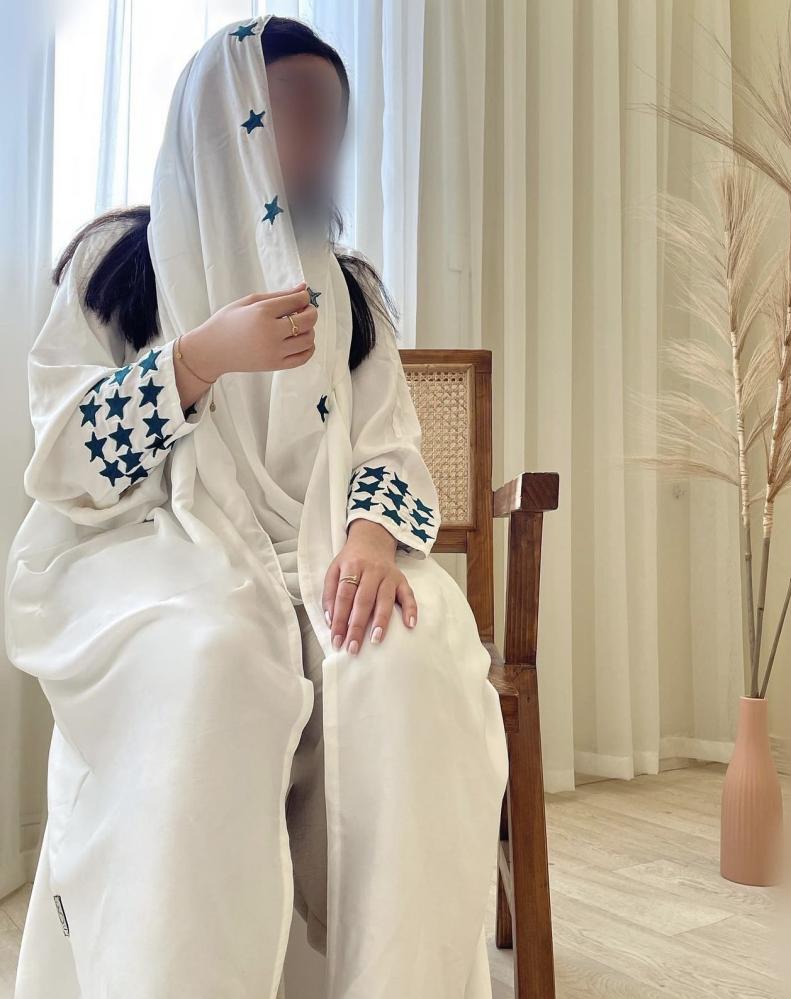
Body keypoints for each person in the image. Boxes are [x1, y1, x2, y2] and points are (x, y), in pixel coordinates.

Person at [5, 14, 509, 999]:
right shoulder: (116, 262)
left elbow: (388, 445)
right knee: (213, 655)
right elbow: (64, 457)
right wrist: (199, 360)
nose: (314, 145)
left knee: (409, 656)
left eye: (330, 122)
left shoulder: (351, 294)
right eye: (291, 115)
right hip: (155, 549)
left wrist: (370, 540)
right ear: (223, 114)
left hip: (324, 554)